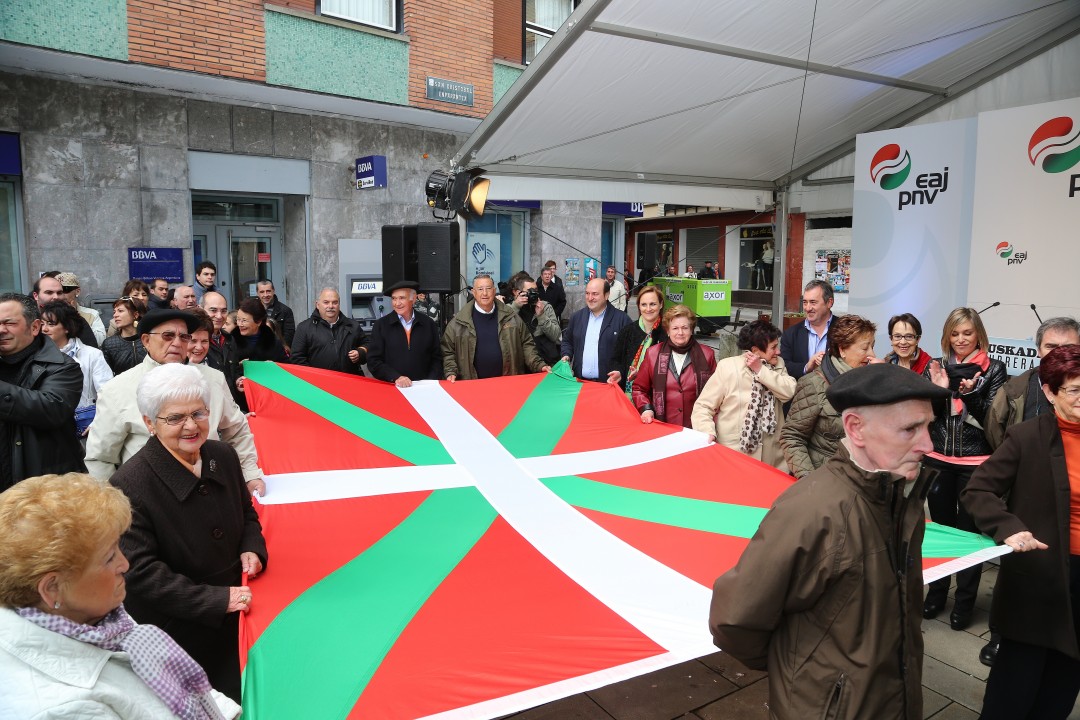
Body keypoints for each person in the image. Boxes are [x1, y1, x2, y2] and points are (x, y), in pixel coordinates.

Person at [710, 363, 949, 720]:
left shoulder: (902, 497)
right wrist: (799, 672)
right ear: (856, 428)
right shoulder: (812, 511)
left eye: (928, 426)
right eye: (909, 429)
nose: (927, 444)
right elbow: (735, 619)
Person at [0, 473, 241, 719]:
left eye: (118, 547)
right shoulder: (65, 710)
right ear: (52, 588)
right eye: (109, 558)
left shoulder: (90, 616)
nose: (125, 564)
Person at [111, 363, 267, 704]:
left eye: (198, 413)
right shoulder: (129, 484)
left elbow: (246, 511)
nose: (191, 426)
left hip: (244, 613)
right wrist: (216, 600)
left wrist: (251, 545)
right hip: (183, 634)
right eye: (175, 418)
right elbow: (141, 573)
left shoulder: (223, 455)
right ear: (150, 423)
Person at [961, 345, 1080, 719]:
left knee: (1062, 685)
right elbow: (977, 491)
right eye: (1075, 390)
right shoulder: (1027, 437)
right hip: (1039, 576)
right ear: (1050, 392)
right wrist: (1009, 527)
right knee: (1014, 690)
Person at [84, 309, 265, 496]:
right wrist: (118, 504)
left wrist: (250, 474)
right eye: (168, 336)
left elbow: (237, 431)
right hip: (150, 498)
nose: (177, 343)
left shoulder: (214, 379)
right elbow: (101, 459)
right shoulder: (117, 389)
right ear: (146, 340)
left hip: (212, 489)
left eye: (184, 337)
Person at [922, 308, 1007, 632]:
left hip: (976, 463)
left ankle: (965, 602)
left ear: (978, 335)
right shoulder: (936, 366)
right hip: (938, 460)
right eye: (955, 333)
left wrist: (970, 393)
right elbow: (927, 413)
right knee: (942, 533)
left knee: (970, 536)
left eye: (967, 333)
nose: (960, 339)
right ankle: (937, 593)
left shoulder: (994, 369)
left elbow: (992, 419)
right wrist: (939, 390)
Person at [0, 293, 85, 488]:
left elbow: (51, 408)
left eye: (9, 323)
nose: (1, 330)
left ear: (35, 327)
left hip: (45, 488)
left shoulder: (62, 366)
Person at [781, 314, 879, 478]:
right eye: (865, 348)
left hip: (861, 479)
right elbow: (792, 437)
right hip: (824, 480)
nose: (872, 354)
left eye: (873, 347)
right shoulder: (814, 384)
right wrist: (809, 480)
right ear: (842, 349)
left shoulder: (870, 382)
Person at [691, 319, 796, 469]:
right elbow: (703, 407)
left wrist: (761, 370)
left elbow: (789, 392)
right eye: (773, 347)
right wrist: (707, 432)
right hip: (734, 457)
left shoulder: (777, 364)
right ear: (755, 350)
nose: (778, 352)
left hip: (773, 460)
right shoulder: (728, 367)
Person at [986, 316, 1080, 449]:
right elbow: (995, 433)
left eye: (1068, 347)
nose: (1058, 353)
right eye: (1051, 346)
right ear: (1038, 351)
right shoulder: (1013, 390)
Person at [442, 274, 548, 381]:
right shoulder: (459, 322)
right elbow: (448, 351)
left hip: (507, 383)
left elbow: (527, 344)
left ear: (494, 291)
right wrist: (450, 371)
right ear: (473, 292)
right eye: (480, 289)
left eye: (488, 288)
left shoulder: (510, 317)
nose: (485, 293)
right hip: (472, 385)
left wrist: (538, 365)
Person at [631, 305, 716, 428]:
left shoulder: (707, 355)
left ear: (691, 329)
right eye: (675, 328)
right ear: (668, 331)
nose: (680, 333)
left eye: (685, 328)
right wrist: (646, 409)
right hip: (662, 427)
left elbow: (716, 393)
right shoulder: (653, 354)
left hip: (696, 427)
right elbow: (639, 389)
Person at [39, 301, 113, 436]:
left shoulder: (92, 355)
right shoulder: (35, 355)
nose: (44, 329)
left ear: (67, 327)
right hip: (48, 428)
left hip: (83, 427)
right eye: (42, 324)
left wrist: (97, 423)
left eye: (51, 324)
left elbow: (108, 393)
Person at [366, 280, 442, 386]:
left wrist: (430, 382)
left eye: (402, 298)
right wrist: (395, 377)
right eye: (394, 298)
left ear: (413, 299)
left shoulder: (428, 324)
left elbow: (437, 358)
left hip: (424, 389)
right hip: (392, 388)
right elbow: (373, 361)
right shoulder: (381, 325)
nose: (397, 303)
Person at [562, 277, 632, 384]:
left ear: (606, 295)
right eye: (587, 293)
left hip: (609, 384)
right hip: (580, 383)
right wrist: (566, 355)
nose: (590, 298)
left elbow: (630, 352)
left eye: (595, 294)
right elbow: (567, 341)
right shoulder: (577, 317)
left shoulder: (622, 320)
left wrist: (621, 371)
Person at [290, 288, 368, 375]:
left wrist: (360, 352)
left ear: (339, 304)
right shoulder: (304, 328)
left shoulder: (353, 326)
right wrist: (313, 377)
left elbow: (368, 345)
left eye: (335, 302)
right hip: (318, 382)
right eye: (326, 302)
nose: (331, 306)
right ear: (318, 305)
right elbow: (297, 358)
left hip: (349, 380)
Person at [230, 297, 289, 412]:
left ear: (258, 321)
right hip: (241, 402)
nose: (240, 324)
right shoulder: (231, 341)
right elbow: (226, 370)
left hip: (269, 400)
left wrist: (274, 366)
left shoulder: (272, 341)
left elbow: (287, 367)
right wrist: (238, 369)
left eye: (244, 321)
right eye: (238, 319)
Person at [613, 285, 666, 396]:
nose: (648, 309)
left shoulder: (668, 333)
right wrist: (619, 372)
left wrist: (642, 375)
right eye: (643, 305)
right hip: (627, 396)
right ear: (639, 306)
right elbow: (616, 360)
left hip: (656, 396)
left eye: (653, 304)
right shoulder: (627, 331)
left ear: (661, 304)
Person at [779, 280, 834, 381]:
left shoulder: (845, 329)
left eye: (813, 302)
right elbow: (784, 366)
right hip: (801, 389)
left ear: (829, 303)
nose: (808, 308)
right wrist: (806, 367)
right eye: (805, 302)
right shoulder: (791, 334)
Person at [32, 272, 98, 348]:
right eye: (49, 292)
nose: (56, 297)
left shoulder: (75, 319)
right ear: (36, 296)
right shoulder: (27, 319)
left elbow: (90, 349)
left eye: (59, 293)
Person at [508, 273, 562, 367]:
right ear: (517, 292)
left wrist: (541, 316)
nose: (534, 294)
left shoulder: (545, 306)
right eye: (530, 291)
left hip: (546, 361)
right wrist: (516, 306)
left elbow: (555, 336)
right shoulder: (508, 309)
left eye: (536, 290)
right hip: (520, 363)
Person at [101, 296, 148, 375]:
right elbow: (106, 375)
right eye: (114, 312)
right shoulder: (109, 344)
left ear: (135, 314)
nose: (115, 315)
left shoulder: (149, 339)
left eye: (120, 311)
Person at [56, 272, 107, 345]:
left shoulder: (91, 315)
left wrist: (75, 317)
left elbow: (100, 340)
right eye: (58, 292)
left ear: (77, 291)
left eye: (65, 289)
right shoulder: (47, 315)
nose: (61, 295)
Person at [256, 279, 296, 347]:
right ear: (257, 293)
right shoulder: (252, 309)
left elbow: (289, 336)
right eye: (262, 292)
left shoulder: (285, 311)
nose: (265, 295)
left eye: (268, 291)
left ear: (273, 291)